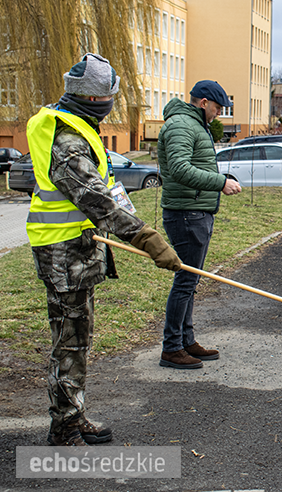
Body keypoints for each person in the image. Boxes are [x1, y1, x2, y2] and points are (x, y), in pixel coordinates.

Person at [26, 53, 182, 446]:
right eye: (110, 95)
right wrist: (146, 238)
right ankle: (64, 426)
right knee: (70, 342)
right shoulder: (66, 139)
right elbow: (97, 201)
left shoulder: (78, 128)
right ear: (95, 99)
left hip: (77, 251)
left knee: (78, 338)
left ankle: (74, 414)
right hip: (62, 255)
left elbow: (109, 193)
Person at [157, 80, 242, 370]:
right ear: (204, 102)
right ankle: (171, 348)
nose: (219, 114)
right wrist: (220, 183)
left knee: (190, 281)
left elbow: (195, 165)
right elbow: (180, 169)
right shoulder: (182, 124)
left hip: (195, 211)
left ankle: (185, 340)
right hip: (186, 213)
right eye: (218, 108)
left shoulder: (193, 124)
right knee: (185, 281)